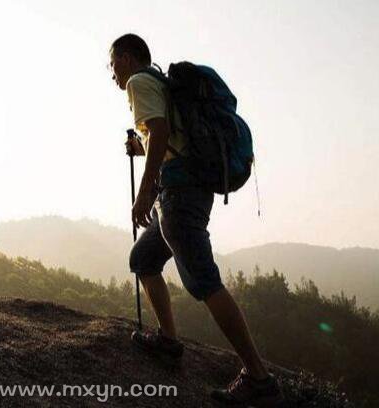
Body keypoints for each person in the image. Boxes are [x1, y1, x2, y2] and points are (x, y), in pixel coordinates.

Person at [109, 33, 284, 406]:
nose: (112, 75)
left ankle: (259, 378)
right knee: (143, 259)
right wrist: (141, 150)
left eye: (112, 64)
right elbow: (171, 138)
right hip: (184, 190)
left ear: (126, 57)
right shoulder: (161, 82)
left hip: (179, 195)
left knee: (203, 280)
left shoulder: (139, 82)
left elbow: (159, 133)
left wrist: (144, 193)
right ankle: (170, 341)